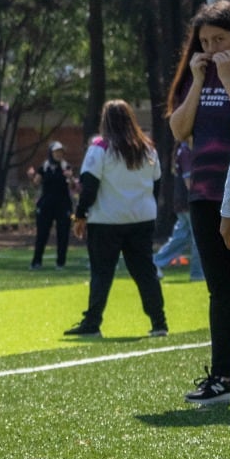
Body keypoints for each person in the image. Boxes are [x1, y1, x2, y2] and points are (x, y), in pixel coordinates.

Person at [165, 0, 230, 405]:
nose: (211, 49)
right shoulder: (199, 72)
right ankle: (222, 378)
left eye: (220, 39)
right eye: (204, 41)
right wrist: (197, 81)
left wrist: (227, 76)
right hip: (206, 195)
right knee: (221, 290)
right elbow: (178, 129)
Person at [62, 100, 166, 340]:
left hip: (107, 220)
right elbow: (157, 184)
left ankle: (92, 322)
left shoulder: (100, 147)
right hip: (141, 219)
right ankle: (159, 322)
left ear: (105, 120)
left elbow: (89, 186)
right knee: (144, 272)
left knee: (101, 272)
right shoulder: (148, 148)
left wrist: (80, 215)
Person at [152, 141, 203, 281]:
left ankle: (153, 264)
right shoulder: (186, 150)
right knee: (198, 239)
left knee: (180, 238)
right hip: (189, 202)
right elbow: (189, 182)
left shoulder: (183, 149)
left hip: (182, 201)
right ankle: (198, 274)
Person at [28, 141, 75, 269]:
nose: (58, 154)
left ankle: (61, 262)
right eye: (56, 151)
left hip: (63, 204)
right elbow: (36, 183)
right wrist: (31, 177)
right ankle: (36, 261)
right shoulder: (44, 166)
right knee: (42, 234)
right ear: (51, 153)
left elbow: (72, 186)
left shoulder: (66, 166)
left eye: (60, 151)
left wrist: (70, 178)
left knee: (63, 234)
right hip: (46, 204)